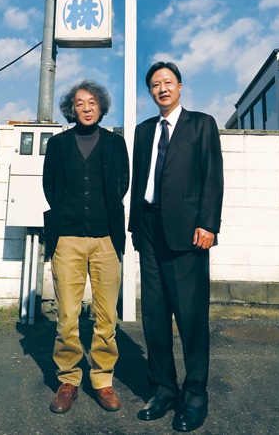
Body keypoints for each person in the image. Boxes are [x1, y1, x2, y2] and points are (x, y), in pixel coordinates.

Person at [129, 61, 223, 433]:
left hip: (188, 234)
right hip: (149, 231)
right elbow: (139, 181)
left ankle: (195, 395)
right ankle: (164, 390)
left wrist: (209, 224)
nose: (162, 88)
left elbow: (212, 175)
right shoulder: (143, 131)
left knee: (191, 319)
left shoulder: (201, 124)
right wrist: (135, 227)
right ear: (150, 92)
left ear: (180, 87)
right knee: (154, 317)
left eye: (168, 82)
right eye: (155, 84)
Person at [42, 80, 129, 414]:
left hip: (107, 239)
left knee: (106, 316)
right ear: (72, 109)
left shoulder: (115, 143)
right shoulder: (58, 144)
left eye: (92, 102)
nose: (87, 107)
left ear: (101, 106)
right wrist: (69, 214)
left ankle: (103, 380)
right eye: (80, 103)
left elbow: (122, 183)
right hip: (67, 239)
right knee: (67, 315)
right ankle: (68, 380)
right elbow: (50, 185)